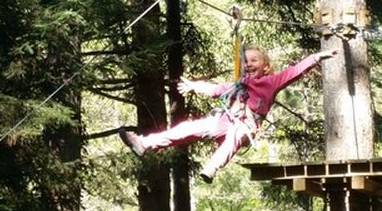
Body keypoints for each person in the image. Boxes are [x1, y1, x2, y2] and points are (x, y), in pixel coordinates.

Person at [119, 46, 337, 183]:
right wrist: (195, 86)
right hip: (222, 120)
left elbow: (294, 72)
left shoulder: (271, 83)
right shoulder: (239, 83)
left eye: (254, 60)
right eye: (246, 61)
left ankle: (212, 166)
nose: (249, 64)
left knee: (233, 137)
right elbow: (217, 89)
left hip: (244, 125)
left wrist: (316, 57)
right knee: (186, 129)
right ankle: (145, 143)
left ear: (266, 67)